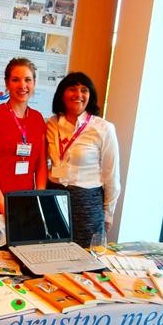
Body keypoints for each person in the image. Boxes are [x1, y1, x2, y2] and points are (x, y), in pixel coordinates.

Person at [46, 72, 121, 247]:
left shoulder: (103, 128)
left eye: (84, 90)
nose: (78, 94)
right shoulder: (50, 124)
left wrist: (108, 213)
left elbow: (111, 174)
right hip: (53, 198)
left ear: (90, 95)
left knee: (86, 255)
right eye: (72, 89)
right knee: (50, 252)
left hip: (87, 203)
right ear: (62, 94)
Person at [0, 57, 47, 215]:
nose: (22, 85)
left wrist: (39, 197)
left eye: (27, 80)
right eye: (15, 80)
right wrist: (2, 205)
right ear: (7, 84)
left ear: (34, 83)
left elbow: (41, 164)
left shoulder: (37, 118)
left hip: (25, 199)